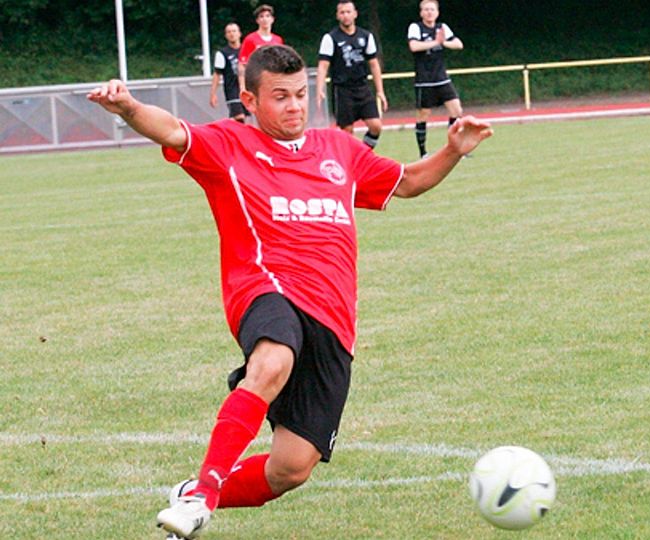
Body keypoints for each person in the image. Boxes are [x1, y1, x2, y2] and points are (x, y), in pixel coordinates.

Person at [87, 44, 492, 539]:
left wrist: (452, 151)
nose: (295, 106)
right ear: (250, 101)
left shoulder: (339, 151)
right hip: (266, 288)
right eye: (280, 97)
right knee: (272, 361)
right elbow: (171, 129)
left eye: (301, 94)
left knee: (290, 469)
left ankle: (190, 490)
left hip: (334, 319)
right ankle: (201, 497)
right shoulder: (228, 146)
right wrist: (128, 108)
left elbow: (405, 183)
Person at [316, 0, 388, 149]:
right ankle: (350, 162)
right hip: (342, 90)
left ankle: (363, 154)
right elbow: (323, 66)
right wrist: (319, 89)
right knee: (347, 132)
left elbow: (374, 64)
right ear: (337, 16)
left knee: (376, 126)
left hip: (362, 87)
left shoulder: (366, 36)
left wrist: (380, 91)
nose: (346, 15)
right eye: (342, 12)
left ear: (355, 14)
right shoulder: (330, 38)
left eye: (348, 12)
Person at [407, 0, 464, 158]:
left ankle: (453, 148)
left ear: (437, 12)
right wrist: (434, 43)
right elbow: (414, 46)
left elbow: (459, 44)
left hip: (442, 78)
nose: (429, 12)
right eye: (426, 9)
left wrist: (444, 42)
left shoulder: (442, 27)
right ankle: (423, 152)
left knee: (457, 111)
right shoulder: (416, 27)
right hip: (424, 80)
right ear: (421, 13)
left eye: (432, 9)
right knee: (423, 116)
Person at [238, 4, 283, 94]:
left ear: (272, 19)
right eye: (261, 17)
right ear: (257, 20)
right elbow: (242, 65)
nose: (265, 19)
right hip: (257, 81)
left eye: (267, 16)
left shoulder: (278, 40)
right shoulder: (250, 39)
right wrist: (242, 87)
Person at [210, 22, 249, 123]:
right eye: (229, 32)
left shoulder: (247, 50)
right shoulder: (222, 53)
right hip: (232, 90)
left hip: (248, 88)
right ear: (226, 35)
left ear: (239, 33)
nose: (232, 34)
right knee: (239, 117)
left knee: (246, 118)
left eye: (234, 31)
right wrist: (213, 94)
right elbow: (217, 74)